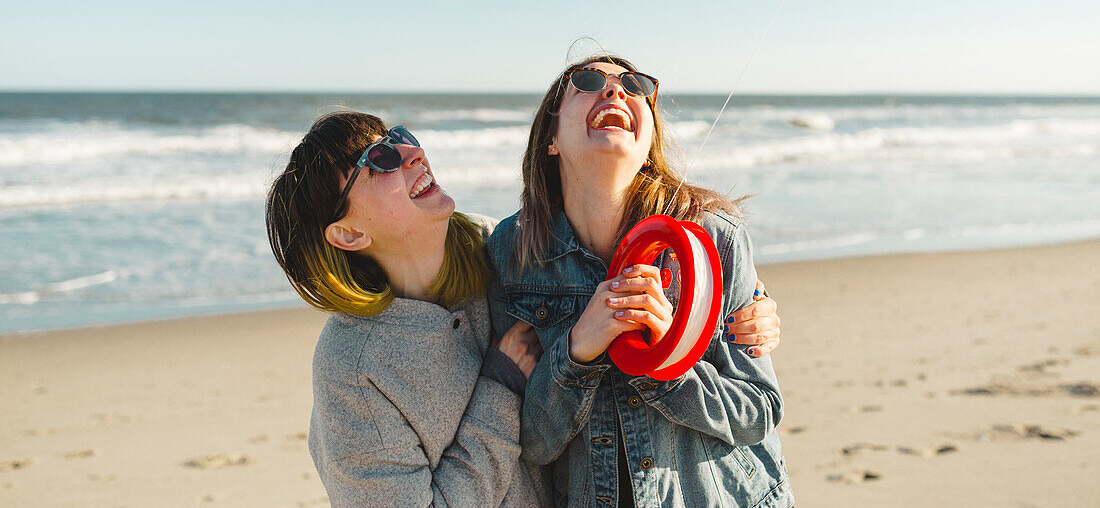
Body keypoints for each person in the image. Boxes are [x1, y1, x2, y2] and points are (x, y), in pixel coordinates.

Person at [265, 110, 782, 508]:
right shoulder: (351, 369)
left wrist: (742, 304)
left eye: (400, 137)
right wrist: (500, 389)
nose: (411, 154)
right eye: (379, 161)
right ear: (349, 233)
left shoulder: (502, 252)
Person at [487, 55, 795, 508]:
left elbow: (760, 410)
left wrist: (666, 360)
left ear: (649, 136)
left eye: (635, 85)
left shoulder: (713, 238)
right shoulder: (513, 253)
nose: (616, 92)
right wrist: (577, 350)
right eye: (588, 81)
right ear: (550, 138)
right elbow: (530, 444)